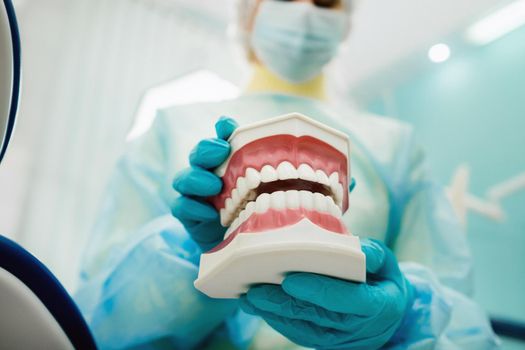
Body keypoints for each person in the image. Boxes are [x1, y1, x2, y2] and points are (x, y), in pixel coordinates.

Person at [75, 0, 500, 349]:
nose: (305, 12)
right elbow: (94, 321)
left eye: (325, 2)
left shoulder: (394, 145)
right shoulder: (171, 127)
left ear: (345, 22)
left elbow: (459, 328)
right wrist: (189, 255)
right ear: (248, 14)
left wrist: (405, 319)